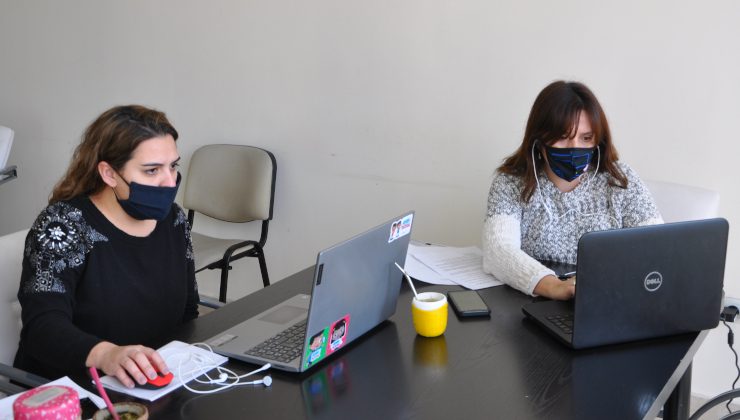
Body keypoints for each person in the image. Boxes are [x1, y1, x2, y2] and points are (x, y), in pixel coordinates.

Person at [14, 105, 199, 388]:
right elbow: (42, 328)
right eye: (152, 171)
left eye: (173, 166)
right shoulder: (64, 225)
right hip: (70, 389)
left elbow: (187, 312)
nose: (170, 181)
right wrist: (106, 354)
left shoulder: (173, 220)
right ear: (109, 174)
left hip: (148, 383)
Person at [482, 81, 663, 301]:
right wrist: (552, 286)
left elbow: (656, 248)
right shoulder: (511, 182)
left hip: (607, 299)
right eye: (563, 137)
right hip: (532, 303)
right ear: (539, 139)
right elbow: (498, 251)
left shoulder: (620, 180)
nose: (574, 147)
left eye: (586, 138)